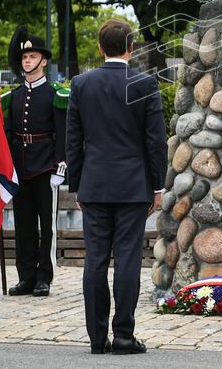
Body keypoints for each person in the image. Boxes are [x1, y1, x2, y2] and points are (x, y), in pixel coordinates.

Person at [66, 18, 166, 355]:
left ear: (99, 47)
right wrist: (157, 186)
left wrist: (76, 185)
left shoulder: (81, 84)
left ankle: (97, 337)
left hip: (94, 185)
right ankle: (123, 335)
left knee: (95, 260)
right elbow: (156, 142)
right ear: (131, 47)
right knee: (126, 259)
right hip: (133, 186)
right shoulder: (144, 84)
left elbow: (73, 140)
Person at [3, 27, 68, 297]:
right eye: (24, 57)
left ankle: (44, 277)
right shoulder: (14, 96)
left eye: (32, 56)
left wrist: (60, 168)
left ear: (43, 60)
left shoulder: (56, 94)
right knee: (24, 225)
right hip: (20, 168)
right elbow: (6, 135)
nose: (27, 61)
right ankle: (26, 276)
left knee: (47, 227)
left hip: (45, 167)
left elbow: (63, 134)